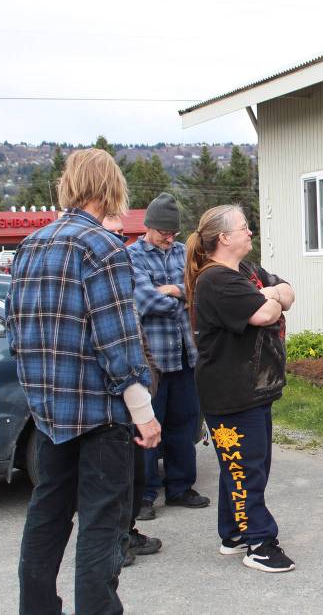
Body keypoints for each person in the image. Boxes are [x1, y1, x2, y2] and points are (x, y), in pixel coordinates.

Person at [6, 149, 161, 615]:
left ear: (70, 185)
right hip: (99, 416)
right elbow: (117, 340)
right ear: (112, 187)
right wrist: (144, 413)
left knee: (47, 516)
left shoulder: (31, 245)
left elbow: (16, 333)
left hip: (51, 415)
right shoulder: (104, 248)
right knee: (102, 524)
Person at [185, 204, 297, 573]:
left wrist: (272, 295)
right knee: (245, 468)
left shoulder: (246, 271)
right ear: (224, 238)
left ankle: (233, 533)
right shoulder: (215, 279)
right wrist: (271, 298)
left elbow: (288, 292)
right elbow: (265, 314)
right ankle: (260, 544)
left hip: (254, 388)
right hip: (230, 393)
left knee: (245, 465)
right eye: (244, 227)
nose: (250, 233)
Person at [127, 193, 209, 518]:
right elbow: (146, 302)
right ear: (149, 226)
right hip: (154, 363)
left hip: (186, 357)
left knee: (183, 424)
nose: (169, 237)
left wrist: (174, 290)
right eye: (163, 231)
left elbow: (200, 289)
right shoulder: (132, 257)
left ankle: (180, 487)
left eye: (173, 232)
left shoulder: (183, 253)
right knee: (149, 428)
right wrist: (181, 295)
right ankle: (145, 495)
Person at [102, 214, 162, 567]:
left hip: (137, 395)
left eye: (121, 235)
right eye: (113, 234)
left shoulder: (122, 283)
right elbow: (115, 350)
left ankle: (127, 532)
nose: (118, 243)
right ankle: (114, 543)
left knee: (134, 476)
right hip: (113, 404)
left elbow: (139, 342)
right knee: (113, 481)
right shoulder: (100, 283)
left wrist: (150, 378)